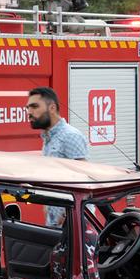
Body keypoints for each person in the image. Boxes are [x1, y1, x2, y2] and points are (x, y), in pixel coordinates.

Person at [26, 87, 88, 226]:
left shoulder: (70, 136)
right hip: (56, 222)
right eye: (28, 107)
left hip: (73, 223)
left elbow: (84, 182)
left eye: (35, 106)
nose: (29, 112)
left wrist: (66, 217)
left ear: (52, 108)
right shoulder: (49, 138)